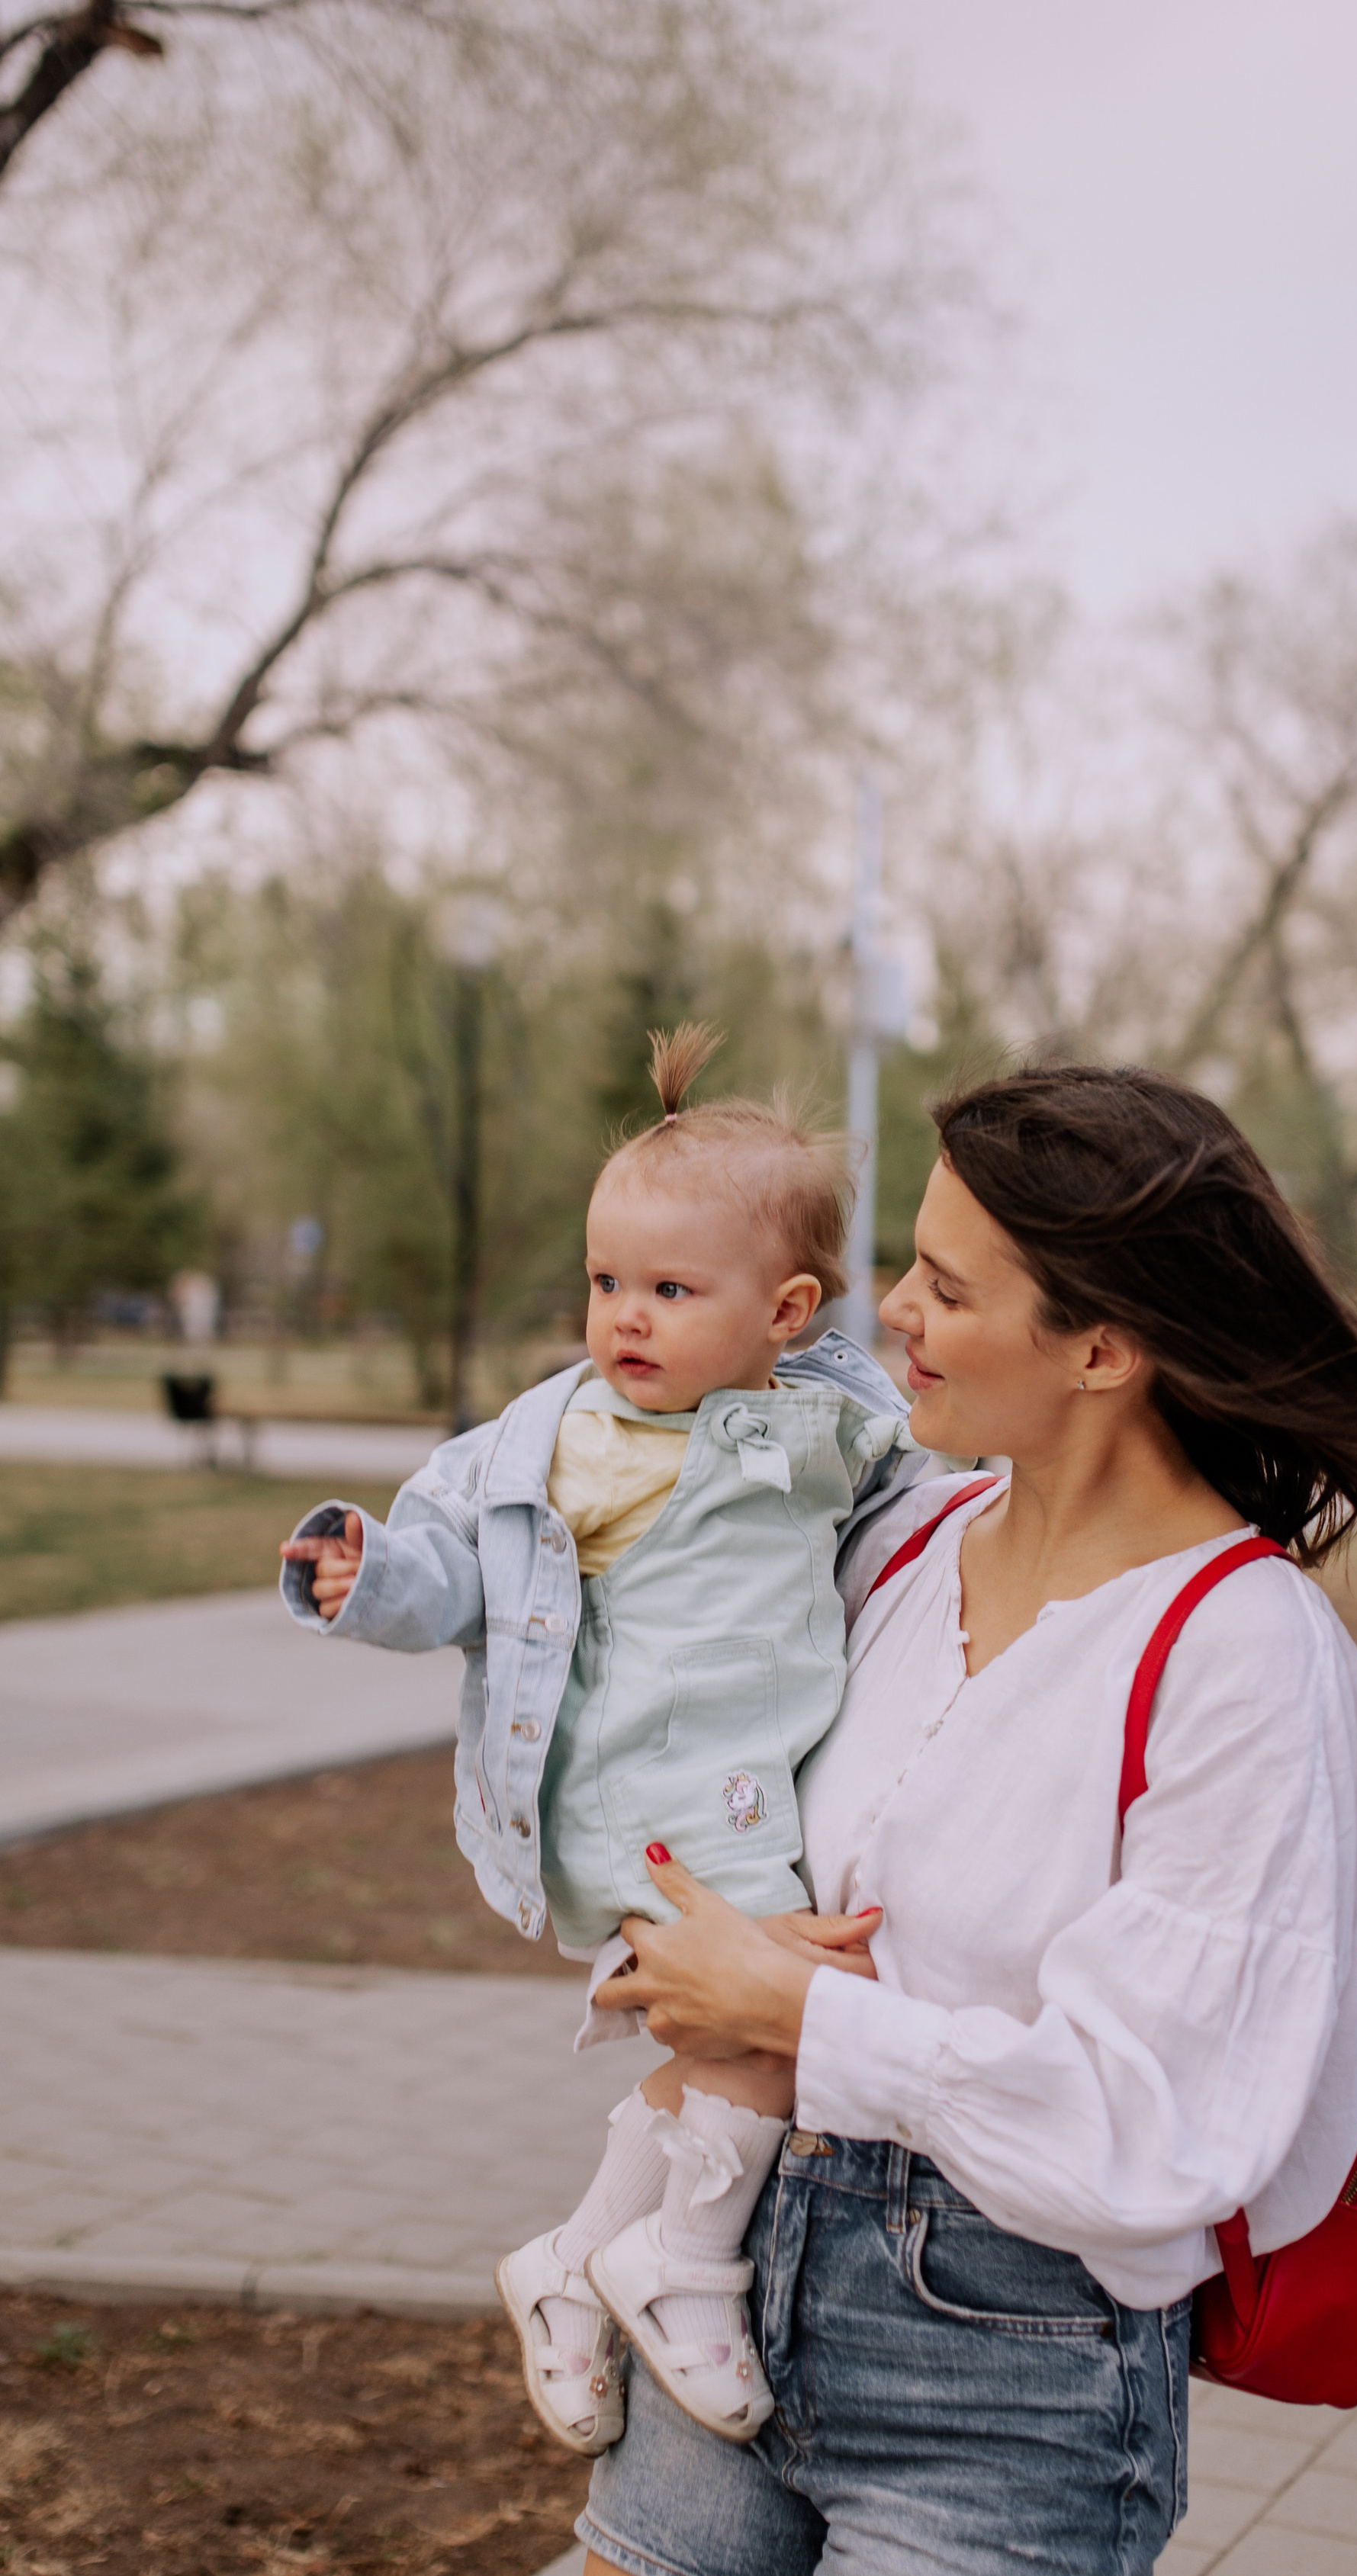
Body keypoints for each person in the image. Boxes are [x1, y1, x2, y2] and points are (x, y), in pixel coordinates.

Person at [569, 1064, 1357, 2576]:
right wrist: (666, 1942)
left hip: (1000, 2404)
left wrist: (798, 2011)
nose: (883, 1315)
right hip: (732, 2316)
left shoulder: (1241, 1651)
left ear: (1103, 1348)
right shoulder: (901, 1544)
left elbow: (1156, 2123)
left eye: (942, 1285)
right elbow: (721, 1808)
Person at [278, 1027, 944, 2456]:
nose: (623, 1318)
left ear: (788, 1313)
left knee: (719, 2046)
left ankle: (575, 2266)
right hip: (645, 1795)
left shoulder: (828, 1412)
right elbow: (459, 1571)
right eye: (604, 1283)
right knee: (772, 2030)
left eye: (668, 1289)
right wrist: (368, 1575)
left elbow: (936, 1502)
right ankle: (683, 2266)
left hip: (739, 1792)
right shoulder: (569, 1441)